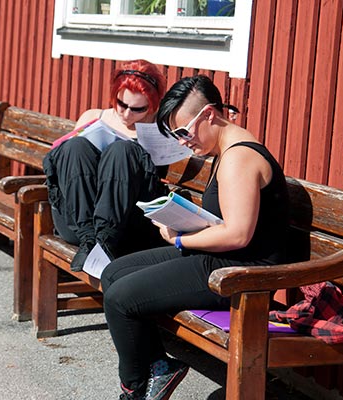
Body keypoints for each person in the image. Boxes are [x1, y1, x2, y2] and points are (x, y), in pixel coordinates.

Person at [101, 75, 290, 400]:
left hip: (239, 273)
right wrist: (181, 222)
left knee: (121, 299)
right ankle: (161, 366)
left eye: (182, 132)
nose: (181, 141)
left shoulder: (239, 158)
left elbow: (238, 234)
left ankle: (134, 389)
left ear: (209, 115)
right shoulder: (227, 151)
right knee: (113, 272)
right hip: (222, 259)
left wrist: (180, 240)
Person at [42, 60, 169, 272]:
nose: (127, 114)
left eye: (139, 109)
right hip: (79, 223)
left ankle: (103, 241)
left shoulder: (161, 130)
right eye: (121, 104)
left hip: (127, 225)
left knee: (122, 151)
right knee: (75, 146)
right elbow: (70, 171)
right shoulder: (93, 117)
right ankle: (91, 240)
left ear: (154, 104)